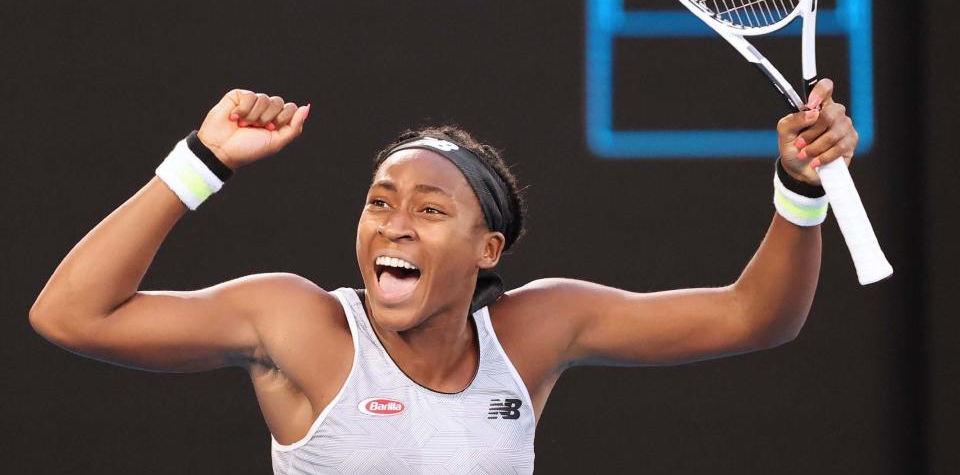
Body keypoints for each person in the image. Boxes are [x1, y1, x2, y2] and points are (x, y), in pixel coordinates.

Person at [30, 83, 857, 473]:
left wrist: (802, 187)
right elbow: (70, 316)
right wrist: (201, 162)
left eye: (429, 211)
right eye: (379, 202)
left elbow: (757, 317)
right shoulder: (295, 323)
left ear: (488, 250)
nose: (393, 222)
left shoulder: (537, 331)